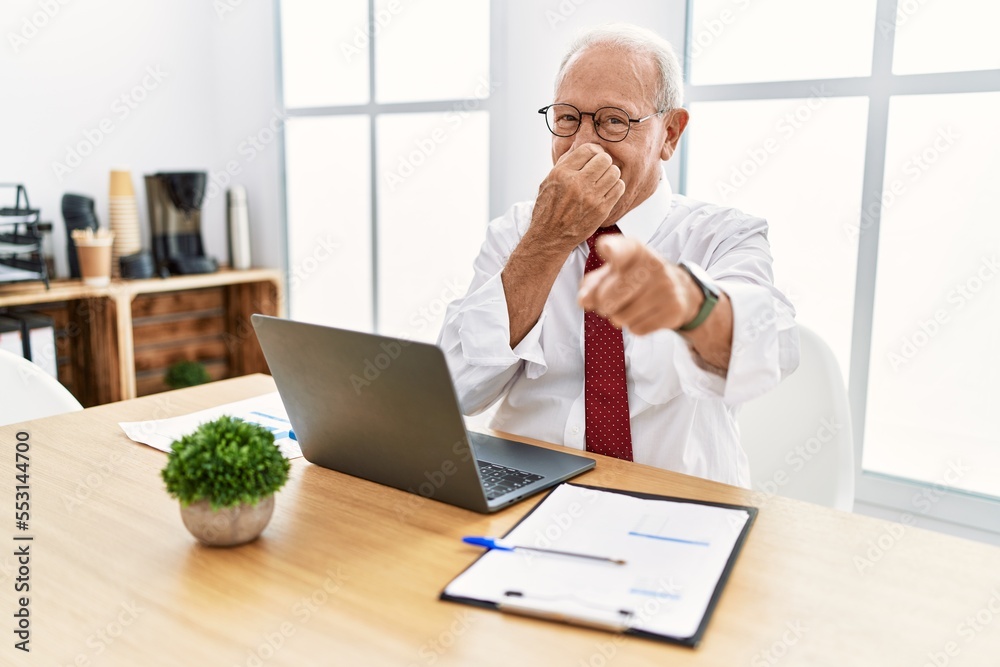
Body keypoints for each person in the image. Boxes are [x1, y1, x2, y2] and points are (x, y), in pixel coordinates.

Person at [437, 23, 798, 487]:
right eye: (567, 118)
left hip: (673, 509)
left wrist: (691, 304)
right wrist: (547, 241)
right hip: (524, 495)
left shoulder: (723, 235)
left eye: (613, 120)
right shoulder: (517, 232)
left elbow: (772, 347)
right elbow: (457, 389)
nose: (583, 145)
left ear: (670, 133)